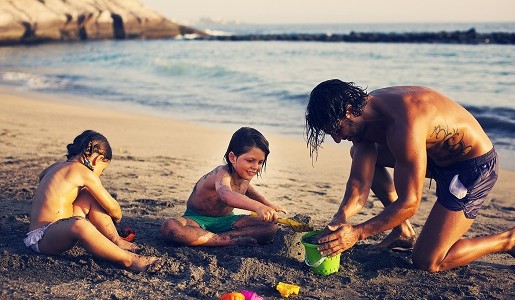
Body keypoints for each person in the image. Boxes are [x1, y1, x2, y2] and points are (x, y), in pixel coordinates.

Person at [305, 79, 514, 272]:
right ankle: (402, 232)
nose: (337, 139)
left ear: (349, 110)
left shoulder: (403, 122)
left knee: (429, 261)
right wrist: (340, 217)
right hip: (433, 158)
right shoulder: (363, 120)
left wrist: (357, 233)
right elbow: (359, 183)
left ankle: (508, 240)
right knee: (359, 154)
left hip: (471, 166)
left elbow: (410, 204)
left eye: (336, 129)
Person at [24, 130, 161, 272]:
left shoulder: (56, 166)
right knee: (79, 223)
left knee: (88, 195)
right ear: (97, 159)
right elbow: (114, 209)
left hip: (54, 229)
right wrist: (116, 216)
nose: (100, 174)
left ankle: (116, 241)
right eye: (102, 170)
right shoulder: (84, 172)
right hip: (43, 238)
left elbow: (42, 177)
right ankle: (128, 260)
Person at [161, 127, 285, 246]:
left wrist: (266, 204)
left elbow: (247, 189)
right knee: (171, 228)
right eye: (250, 160)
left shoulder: (244, 175)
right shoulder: (222, 173)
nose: (255, 167)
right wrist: (258, 207)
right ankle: (223, 239)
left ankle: (218, 236)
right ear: (232, 157)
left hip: (227, 220)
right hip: (197, 219)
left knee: (271, 227)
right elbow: (226, 195)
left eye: (260, 162)